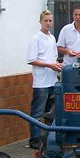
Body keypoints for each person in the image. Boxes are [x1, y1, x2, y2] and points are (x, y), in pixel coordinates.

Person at [26, 9, 62, 150]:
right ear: (40, 22)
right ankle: (34, 139)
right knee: (37, 112)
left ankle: (47, 138)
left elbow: (53, 57)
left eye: (50, 20)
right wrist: (49, 65)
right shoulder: (36, 38)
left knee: (50, 111)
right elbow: (31, 60)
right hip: (41, 82)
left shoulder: (52, 38)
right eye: (45, 20)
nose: (48, 23)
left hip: (51, 79)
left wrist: (57, 64)